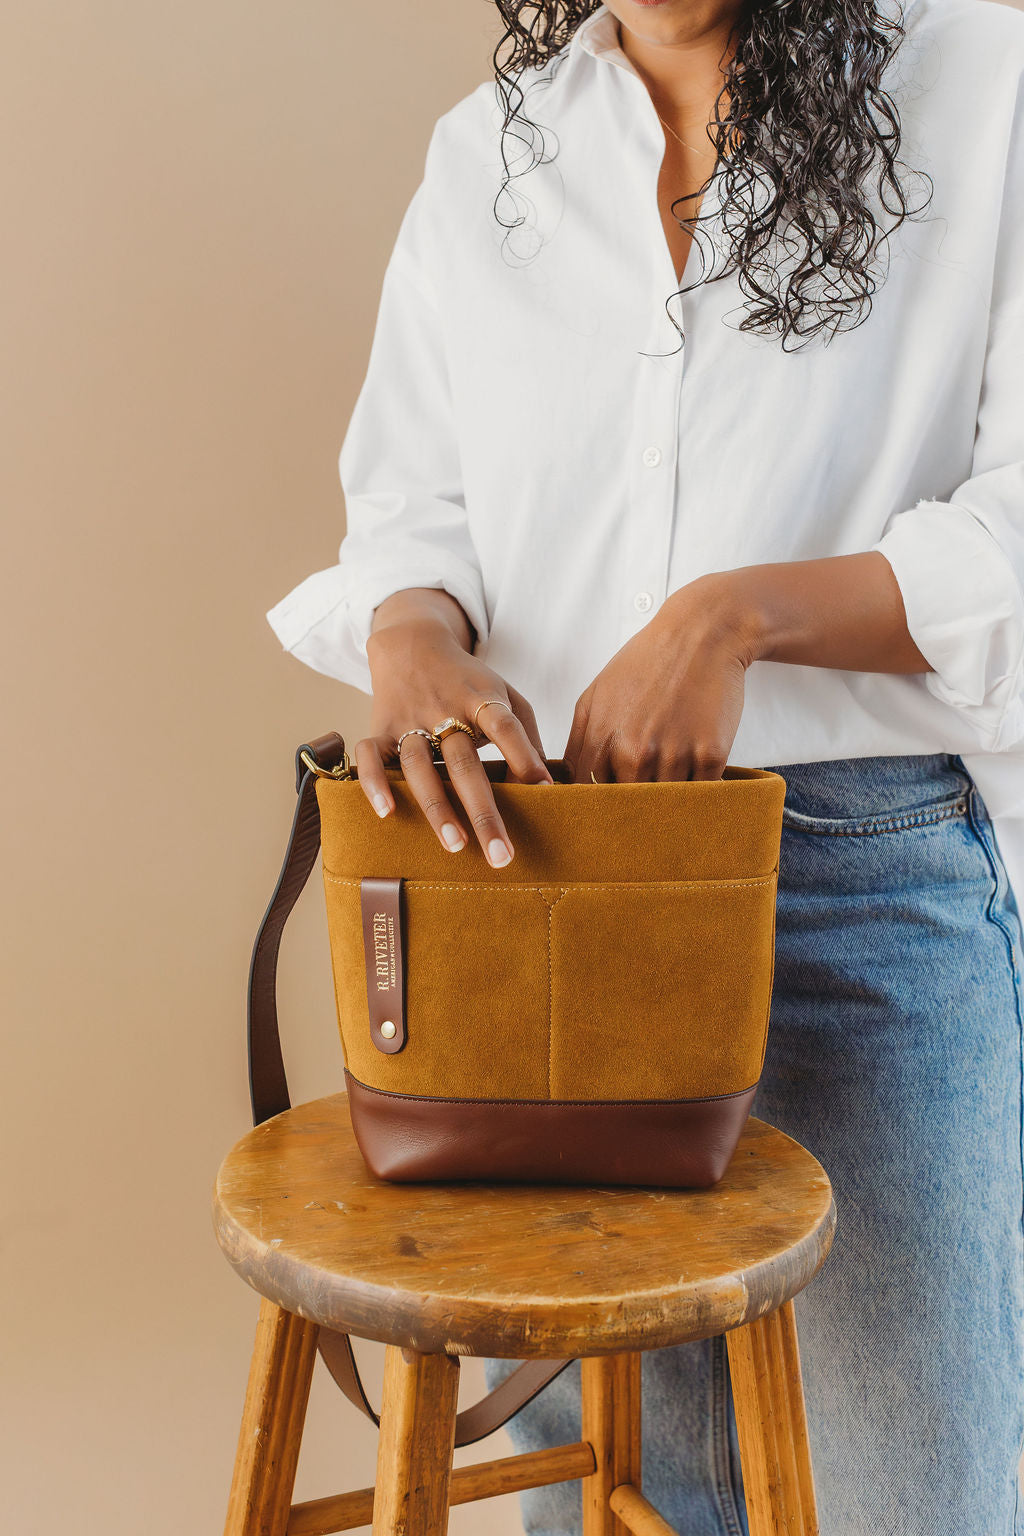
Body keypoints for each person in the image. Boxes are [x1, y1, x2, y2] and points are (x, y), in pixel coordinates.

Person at [267, 1, 1024, 1530]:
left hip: (859, 896)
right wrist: (411, 636)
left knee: (907, 1501)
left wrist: (739, 617)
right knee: (630, 1504)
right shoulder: (493, 152)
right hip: (554, 901)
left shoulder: (990, 75)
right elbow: (414, 507)